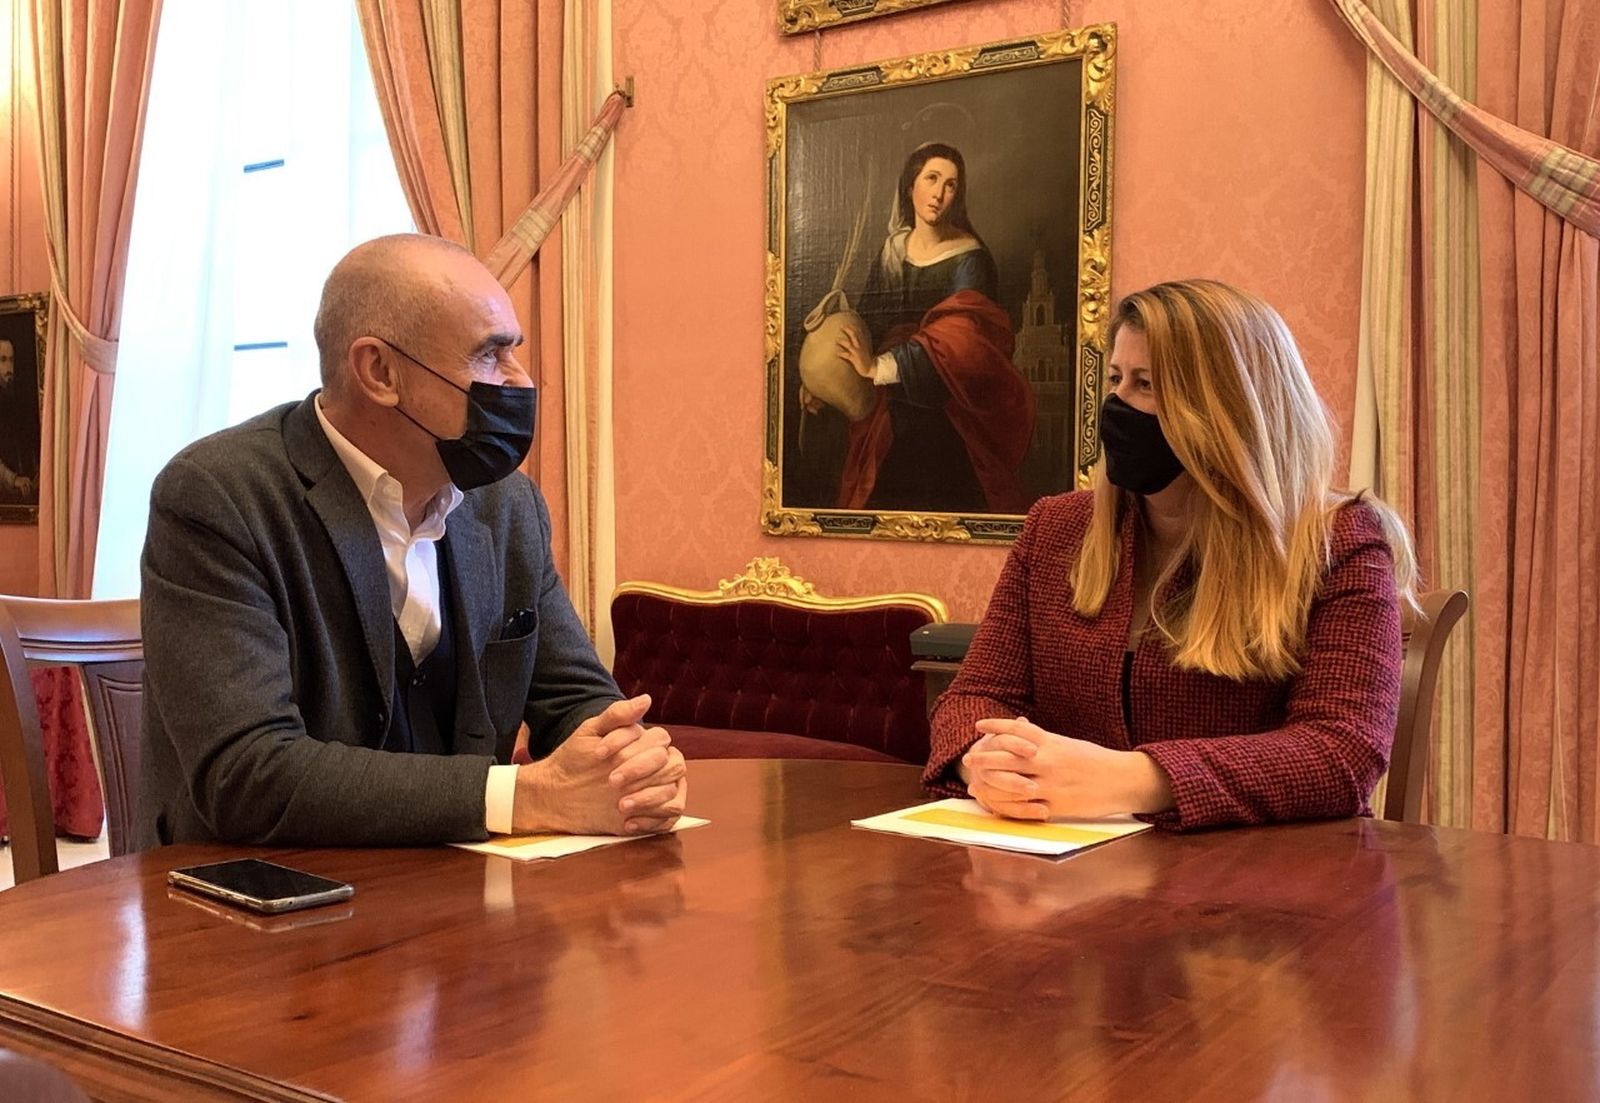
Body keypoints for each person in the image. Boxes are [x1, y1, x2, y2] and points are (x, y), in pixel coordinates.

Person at [138, 234, 686, 847]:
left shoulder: (508, 504)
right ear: (379, 371)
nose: (520, 382)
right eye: (489, 355)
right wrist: (523, 797)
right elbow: (246, 774)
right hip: (254, 902)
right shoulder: (218, 497)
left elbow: (575, 694)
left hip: (457, 893)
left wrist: (629, 763)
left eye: (514, 353)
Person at [924, 279, 1417, 829]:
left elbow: (1341, 751)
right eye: (1115, 380)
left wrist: (1135, 779)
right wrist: (985, 765)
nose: (1117, 404)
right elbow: (973, 697)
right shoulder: (1056, 528)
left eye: (1147, 385)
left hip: (1260, 881)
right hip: (1068, 869)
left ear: (1231, 408)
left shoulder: (1338, 543)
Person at [815, 142, 1034, 515]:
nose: (939, 193)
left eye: (951, 185)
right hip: (884, 413)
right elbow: (867, 321)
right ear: (910, 185)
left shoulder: (971, 259)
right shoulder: (893, 250)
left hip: (945, 416)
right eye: (931, 178)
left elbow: (964, 340)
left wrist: (880, 367)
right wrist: (825, 380)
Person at [0, 337, 38, 501]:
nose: (9, 368)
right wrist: (13, 479)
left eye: (11, 360)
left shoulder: (17, 399)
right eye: (2, 360)